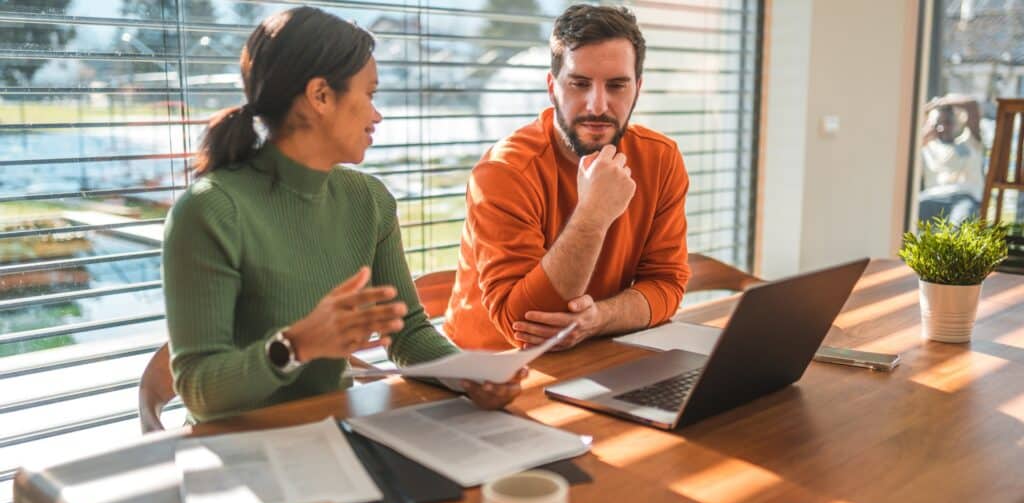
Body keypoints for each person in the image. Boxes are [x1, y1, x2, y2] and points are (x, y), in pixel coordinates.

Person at [163, 7, 520, 422]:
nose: (376, 115)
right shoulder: (210, 210)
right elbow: (197, 388)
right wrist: (294, 346)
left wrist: (470, 375)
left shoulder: (368, 200)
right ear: (320, 96)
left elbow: (409, 335)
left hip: (336, 433)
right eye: (369, 95)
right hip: (240, 451)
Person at [443, 4, 691, 351]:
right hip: (487, 372)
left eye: (617, 85)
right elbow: (525, 325)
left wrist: (598, 318)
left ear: (638, 87)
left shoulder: (661, 159)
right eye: (579, 84)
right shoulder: (504, 171)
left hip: (590, 356)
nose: (598, 105)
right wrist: (593, 216)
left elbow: (666, 285)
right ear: (552, 86)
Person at [919, 94, 985, 223]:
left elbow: (972, 105)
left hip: (964, 198)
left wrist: (938, 103)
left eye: (948, 122)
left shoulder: (970, 142)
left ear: (957, 123)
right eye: (939, 124)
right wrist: (927, 128)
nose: (943, 128)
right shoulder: (927, 148)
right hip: (932, 197)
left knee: (960, 222)